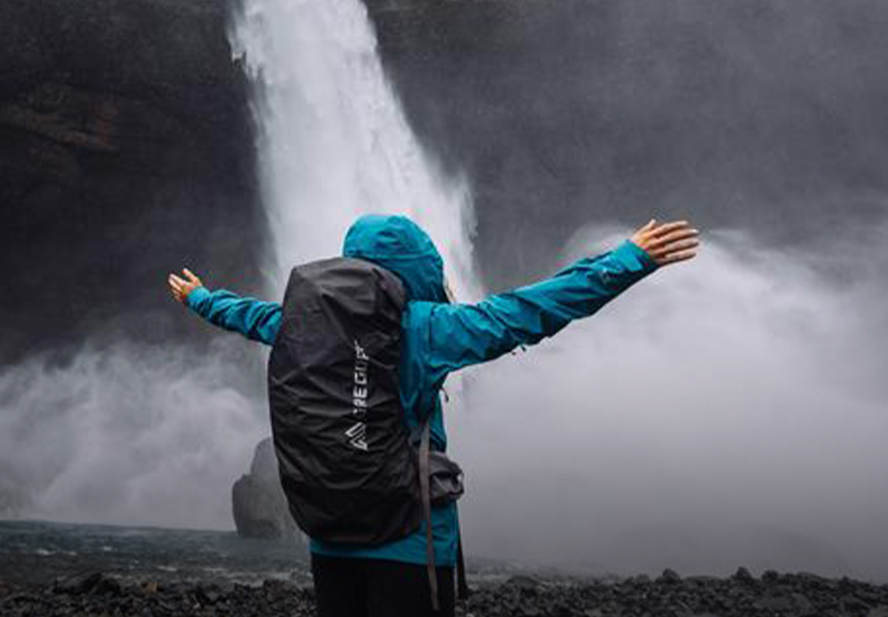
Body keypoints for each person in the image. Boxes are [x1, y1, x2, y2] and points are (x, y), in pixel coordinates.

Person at [168, 214, 699, 617]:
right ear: (419, 270)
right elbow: (525, 312)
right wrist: (627, 260)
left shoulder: (296, 322)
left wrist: (199, 298)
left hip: (329, 533)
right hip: (408, 538)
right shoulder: (423, 327)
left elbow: (244, 314)